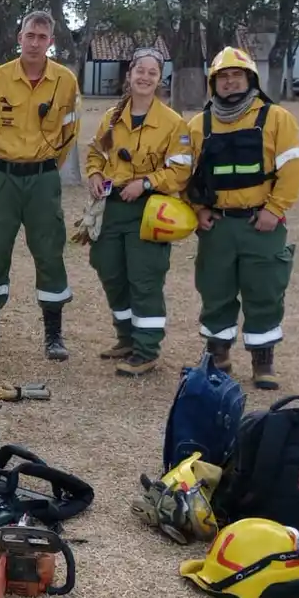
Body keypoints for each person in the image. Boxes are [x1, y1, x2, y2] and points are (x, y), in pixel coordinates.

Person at [183, 46, 299, 391]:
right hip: (218, 227)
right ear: (214, 84)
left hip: (261, 225)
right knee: (215, 290)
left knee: (264, 290)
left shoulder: (277, 119)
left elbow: (294, 168)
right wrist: (199, 210)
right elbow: (185, 176)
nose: (229, 83)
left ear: (250, 78)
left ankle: (263, 361)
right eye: (222, 78)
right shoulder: (198, 125)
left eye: (236, 76)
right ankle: (217, 355)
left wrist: (274, 209)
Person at [0, 10, 82, 360]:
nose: (34, 43)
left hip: (43, 180)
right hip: (1, 178)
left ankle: (54, 335)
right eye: (30, 35)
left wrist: (45, 168)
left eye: (42, 38)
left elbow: (69, 133)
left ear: (51, 42)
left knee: (49, 253)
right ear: (20, 36)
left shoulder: (65, 81)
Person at [82, 47, 193, 376]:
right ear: (129, 74)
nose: (145, 77)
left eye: (152, 73)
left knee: (144, 278)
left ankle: (147, 349)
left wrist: (145, 183)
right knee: (110, 270)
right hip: (112, 207)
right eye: (140, 71)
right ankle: (126, 338)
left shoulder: (173, 123)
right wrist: (94, 174)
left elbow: (180, 170)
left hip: (149, 210)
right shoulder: (113, 117)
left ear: (159, 79)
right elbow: (95, 153)